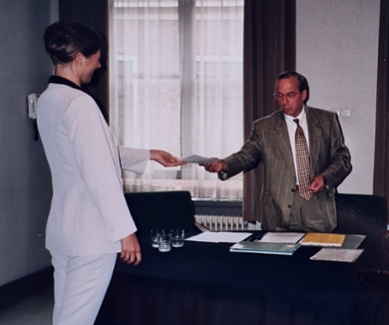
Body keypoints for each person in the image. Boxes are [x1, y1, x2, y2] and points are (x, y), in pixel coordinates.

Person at [36, 21, 184, 325]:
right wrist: (125, 232)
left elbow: (87, 154)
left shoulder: (49, 99)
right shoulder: (80, 104)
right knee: (77, 320)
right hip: (91, 236)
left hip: (64, 232)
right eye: (96, 58)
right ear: (79, 59)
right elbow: (98, 172)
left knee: (65, 315)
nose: (99, 65)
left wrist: (148, 154)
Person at [202, 71, 351, 233]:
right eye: (279, 95)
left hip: (317, 207)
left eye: (290, 95)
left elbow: (342, 158)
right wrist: (224, 164)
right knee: (279, 258)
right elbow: (246, 155)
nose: (284, 101)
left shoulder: (326, 121)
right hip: (278, 211)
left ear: (303, 94)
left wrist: (325, 177)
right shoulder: (264, 127)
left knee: (315, 257)